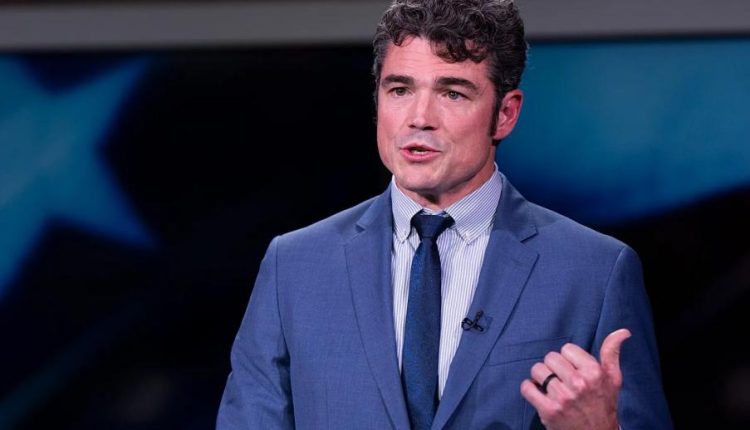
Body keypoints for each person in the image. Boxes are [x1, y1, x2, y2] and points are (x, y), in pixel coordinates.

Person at [217, 0, 672, 428]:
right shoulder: (295, 266)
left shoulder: (594, 272)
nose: (419, 117)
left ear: (505, 114)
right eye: (400, 90)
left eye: (452, 93)